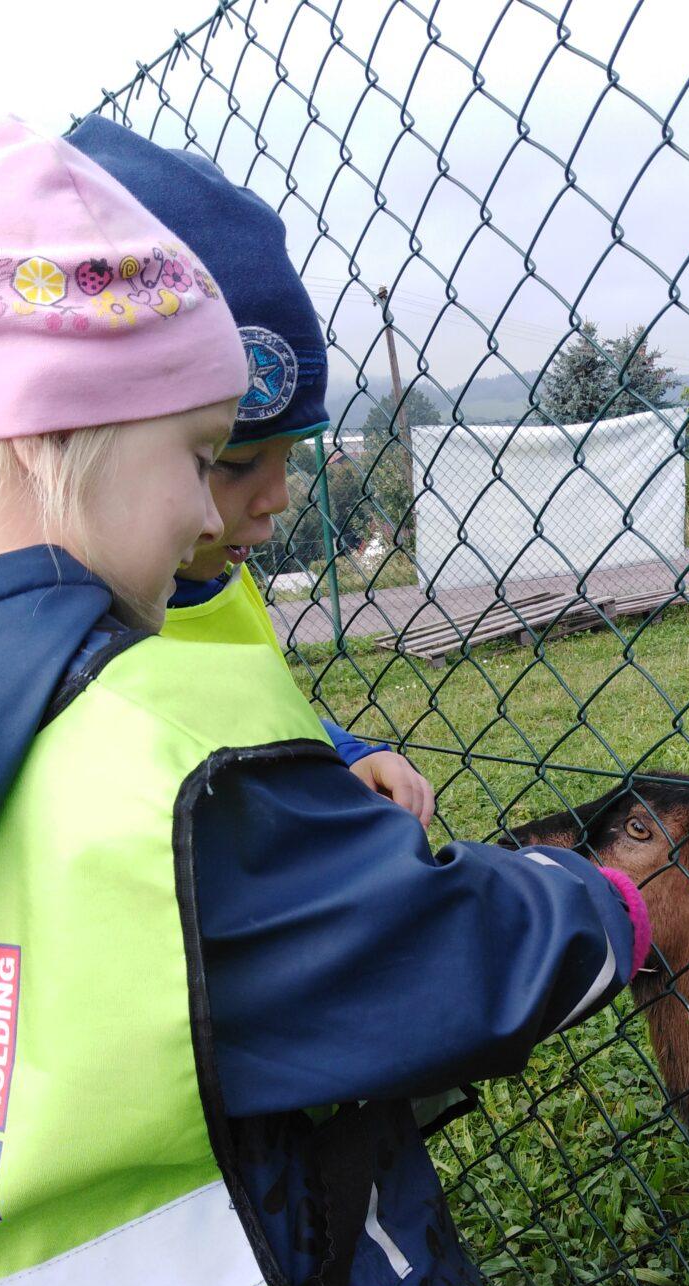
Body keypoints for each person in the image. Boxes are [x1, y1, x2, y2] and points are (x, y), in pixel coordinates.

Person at [0, 117, 652, 1286]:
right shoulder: (147, 771)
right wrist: (604, 908)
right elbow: (442, 958)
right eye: (198, 454)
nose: (210, 507)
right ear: (46, 444)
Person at [66, 116, 434, 829]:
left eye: (288, 456)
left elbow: (251, 709)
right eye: (227, 462)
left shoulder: (208, 571)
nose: (274, 504)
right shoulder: (63, 642)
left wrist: (339, 752)